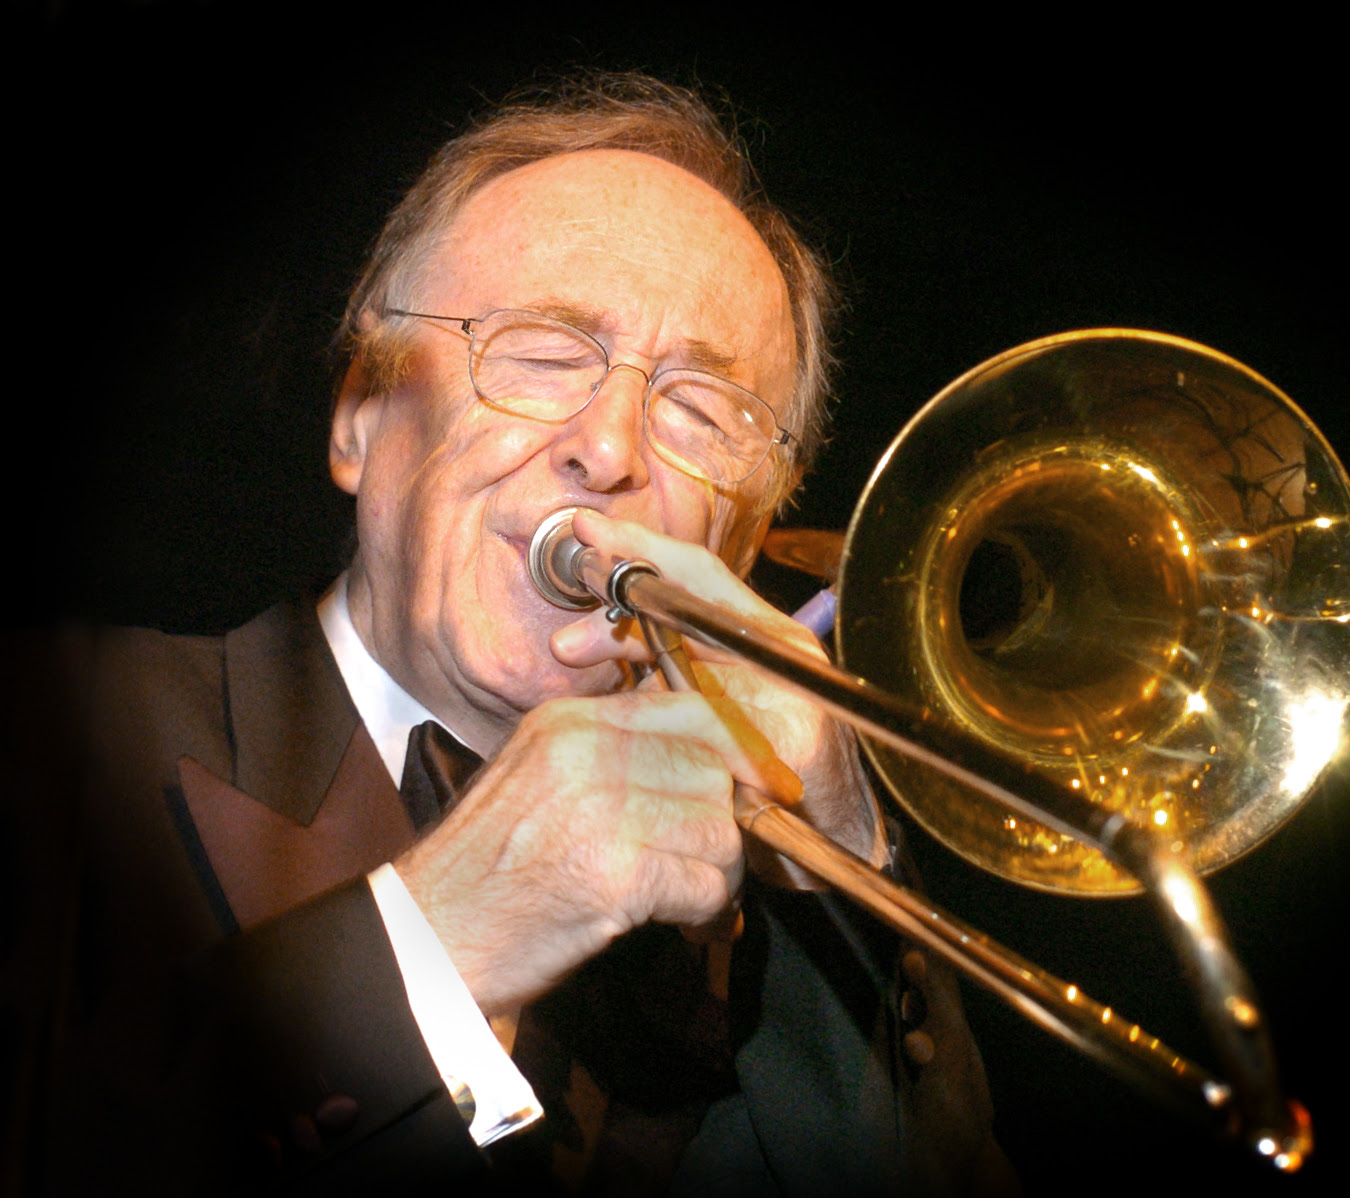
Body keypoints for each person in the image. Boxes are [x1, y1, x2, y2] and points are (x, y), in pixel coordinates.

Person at [4, 74, 1011, 1196]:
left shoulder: (770, 933)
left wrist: (840, 859)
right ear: (360, 416)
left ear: (745, 536)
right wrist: (439, 937)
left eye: (698, 410)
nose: (610, 448)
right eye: (541, 352)